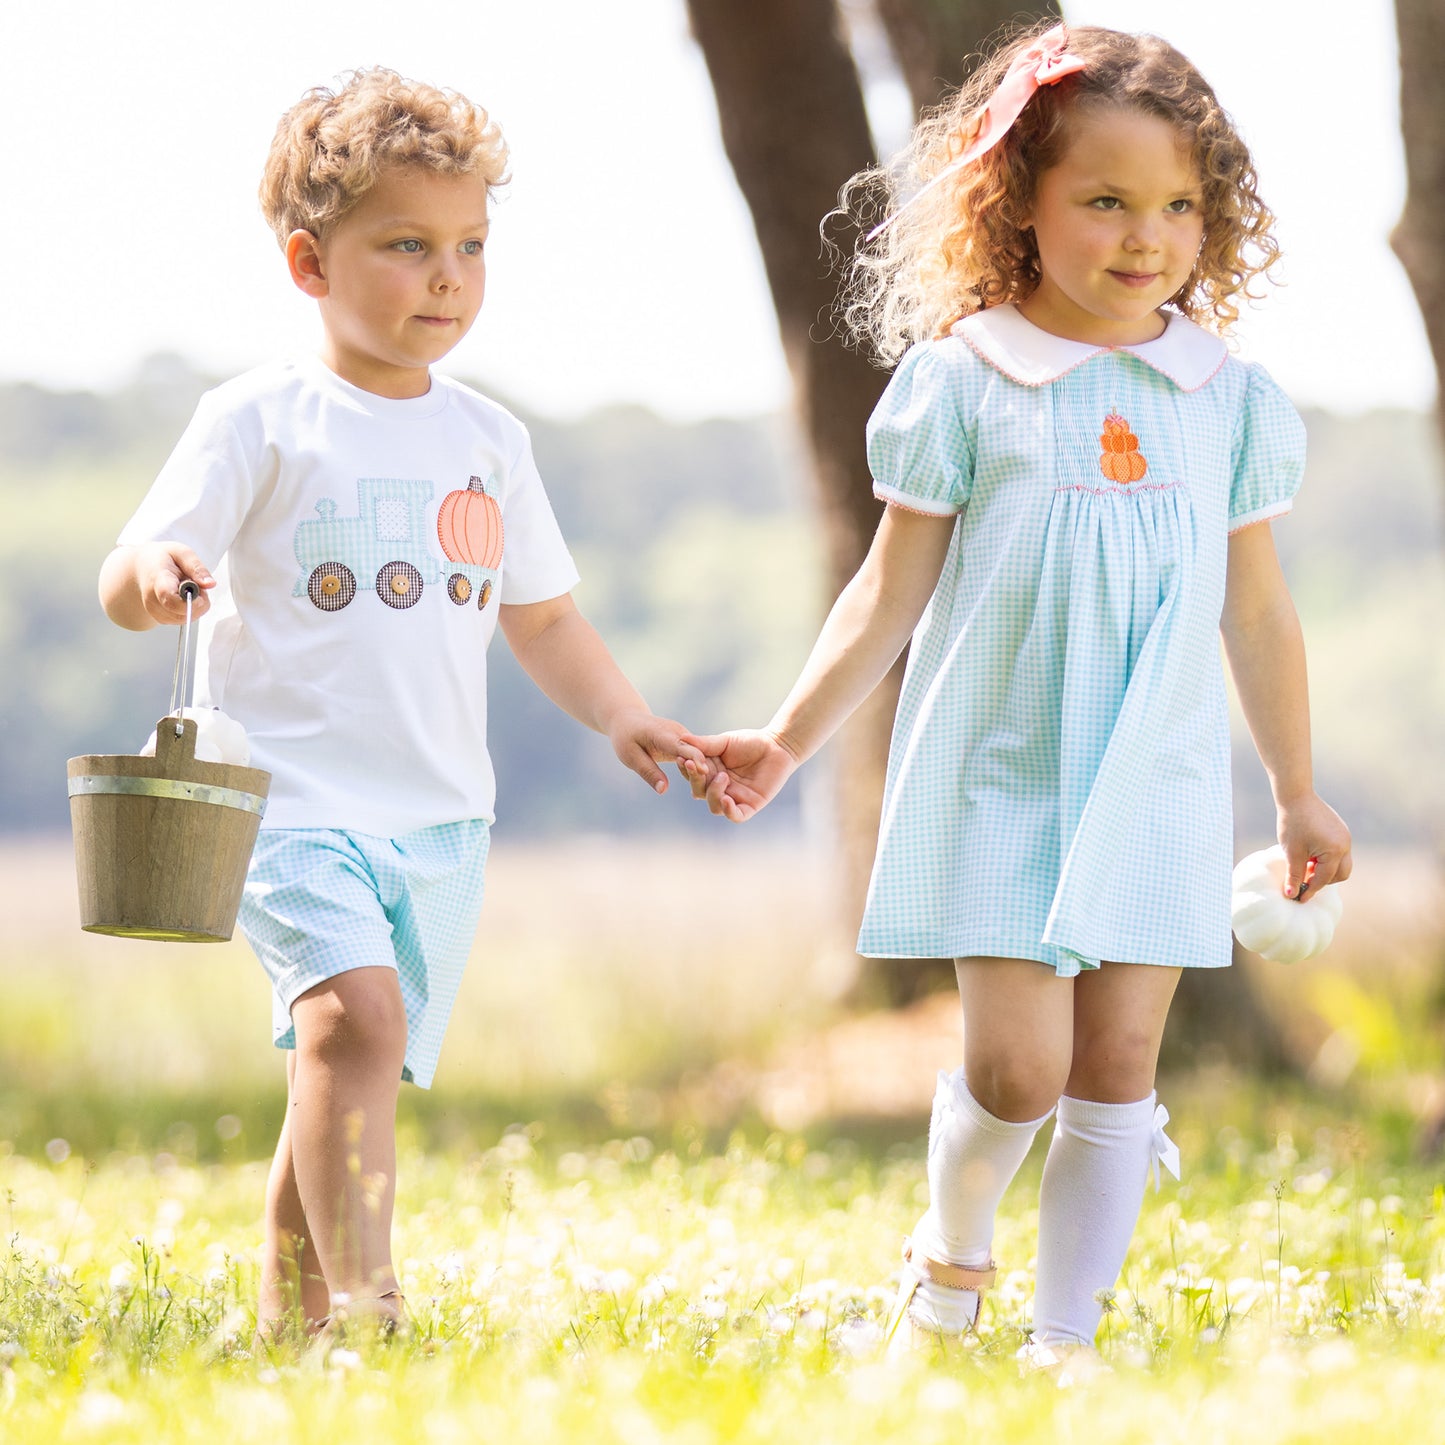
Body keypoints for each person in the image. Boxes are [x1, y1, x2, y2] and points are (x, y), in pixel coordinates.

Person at [683, 23, 1352, 1369]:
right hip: (999, 771)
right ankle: (949, 1260)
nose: (1143, 236)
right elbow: (886, 591)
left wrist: (1295, 791)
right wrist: (785, 737)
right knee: (1014, 1070)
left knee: (1115, 1069)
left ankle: (1065, 1342)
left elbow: (1260, 610)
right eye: (1103, 200)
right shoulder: (964, 383)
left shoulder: (1224, 402)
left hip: (1155, 781)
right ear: (1017, 204)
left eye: (1177, 206)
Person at [99, 68, 701, 1343]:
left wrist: (623, 715)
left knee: (348, 1065)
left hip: (437, 816)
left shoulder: (488, 438)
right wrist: (157, 580)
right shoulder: (260, 417)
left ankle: (287, 1325)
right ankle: (370, 1309)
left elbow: (540, 615)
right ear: (310, 263)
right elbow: (127, 570)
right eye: (408, 245)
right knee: (352, 1020)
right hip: (287, 801)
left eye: (471, 247)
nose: (447, 277)